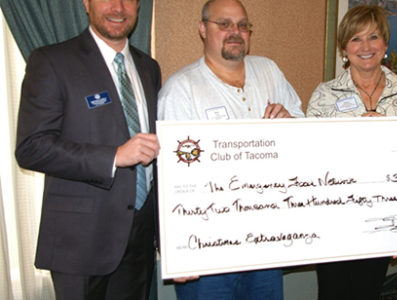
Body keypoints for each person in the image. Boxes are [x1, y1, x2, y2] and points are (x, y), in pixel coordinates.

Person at [14, 0, 161, 299]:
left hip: (140, 240)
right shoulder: (52, 61)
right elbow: (31, 147)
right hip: (80, 243)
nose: (118, 8)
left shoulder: (149, 67)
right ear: (86, 3)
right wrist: (114, 156)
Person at [158, 0, 304, 299]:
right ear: (202, 29)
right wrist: (179, 247)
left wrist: (290, 122)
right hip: (209, 245)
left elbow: (303, 133)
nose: (234, 32)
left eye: (242, 25)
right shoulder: (181, 89)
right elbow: (172, 178)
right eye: (223, 24)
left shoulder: (269, 71)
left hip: (267, 237)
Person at [306, 5, 397, 300]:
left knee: (368, 292)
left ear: (385, 43)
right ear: (344, 48)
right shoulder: (324, 95)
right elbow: (311, 161)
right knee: (332, 293)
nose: (366, 47)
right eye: (356, 39)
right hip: (335, 218)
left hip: (383, 217)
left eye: (373, 37)